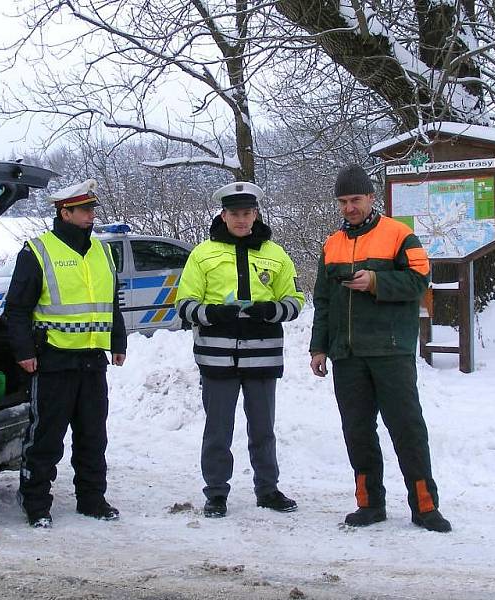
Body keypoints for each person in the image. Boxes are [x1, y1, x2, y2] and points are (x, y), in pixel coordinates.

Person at [309, 164, 451, 533]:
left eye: (355, 199)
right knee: (357, 431)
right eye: (342, 202)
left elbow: (420, 280)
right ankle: (369, 504)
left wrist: (375, 281)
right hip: (348, 355)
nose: (349, 208)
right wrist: (318, 348)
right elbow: (322, 301)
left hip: (391, 351)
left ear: (371, 198)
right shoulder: (332, 243)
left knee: (407, 429)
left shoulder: (400, 235)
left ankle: (425, 507)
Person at [175, 181, 305, 518]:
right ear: (224, 214)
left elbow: (295, 301)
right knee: (218, 431)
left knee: (263, 429)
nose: (242, 219)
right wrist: (212, 313)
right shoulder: (203, 254)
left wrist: (271, 310)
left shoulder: (275, 254)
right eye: (235, 213)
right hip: (216, 358)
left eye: (247, 213)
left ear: (256, 213)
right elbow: (184, 305)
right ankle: (216, 493)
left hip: (262, 357)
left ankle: (268, 489)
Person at [4, 178, 127, 529]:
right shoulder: (38, 250)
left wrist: (118, 341)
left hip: (92, 360)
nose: (91, 216)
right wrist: (24, 351)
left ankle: (92, 498)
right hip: (54, 359)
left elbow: (110, 302)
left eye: (92, 209)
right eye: (85, 210)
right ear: (65, 212)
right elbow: (16, 309)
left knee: (93, 435)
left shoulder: (102, 251)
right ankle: (36, 502)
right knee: (46, 437)